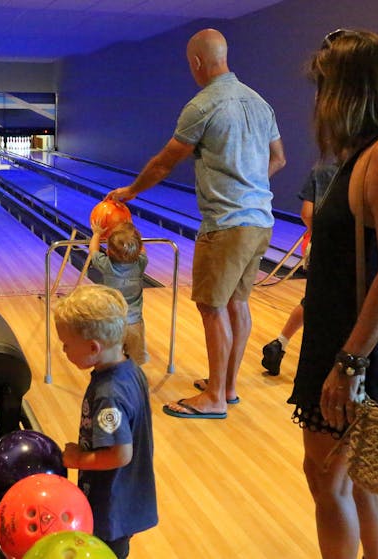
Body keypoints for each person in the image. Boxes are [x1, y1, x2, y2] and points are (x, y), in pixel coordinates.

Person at [106, 28, 286, 418]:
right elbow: (279, 159)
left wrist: (131, 192)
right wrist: (251, 187)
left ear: (197, 63)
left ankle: (215, 397)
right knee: (237, 303)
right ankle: (228, 385)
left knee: (211, 306)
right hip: (261, 220)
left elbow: (164, 162)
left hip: (226, 223)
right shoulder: (260, 102)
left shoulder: (203, 105)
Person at [289, 29, 378, 559]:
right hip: (344, 344)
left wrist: (349, 363)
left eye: (324, 88)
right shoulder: (363, 156)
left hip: (354, 353)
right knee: (363, 483)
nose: (318, 103)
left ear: (349, 92)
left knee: (329, 482)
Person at [53, 284, 157, 558]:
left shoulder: (109, 394)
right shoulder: (129, 368)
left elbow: (121, 454)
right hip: (125, 494)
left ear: (93, 347)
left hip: (112, 502)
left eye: (65, 344)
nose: (63, 350)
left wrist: (76, 460)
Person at [260, 162, 338, 376]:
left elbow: (307, 212)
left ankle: (281, 343)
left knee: (314, 298)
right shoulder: (371, 163)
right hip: (356, 251)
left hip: (317, 243)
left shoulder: (322, 167)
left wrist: (319, 233)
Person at [89, 220, 149, 365]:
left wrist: (97, 234)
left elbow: (93, 251)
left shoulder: (106, 265)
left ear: (108, 252)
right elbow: (142, 250)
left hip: (112, 323)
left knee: (110, 359)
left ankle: (113, 381)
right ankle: (133, 380)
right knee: (135, 361)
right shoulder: (140, 263)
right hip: (134, 324)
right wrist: (133, 234)